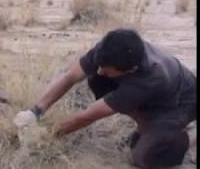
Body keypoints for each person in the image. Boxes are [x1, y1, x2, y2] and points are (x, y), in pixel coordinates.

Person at [14, 28, 196, 168]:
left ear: (130, 70)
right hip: (154, 92)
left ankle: (190, 136)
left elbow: (88, 116)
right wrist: (35, 112)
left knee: (144, 157)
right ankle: (145, 126)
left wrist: (46, 136)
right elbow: (71, 75)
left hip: (183, 102)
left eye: (106, 69)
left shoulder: (150, 78)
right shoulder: (112, 46)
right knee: (98, 80)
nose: (100, 70)